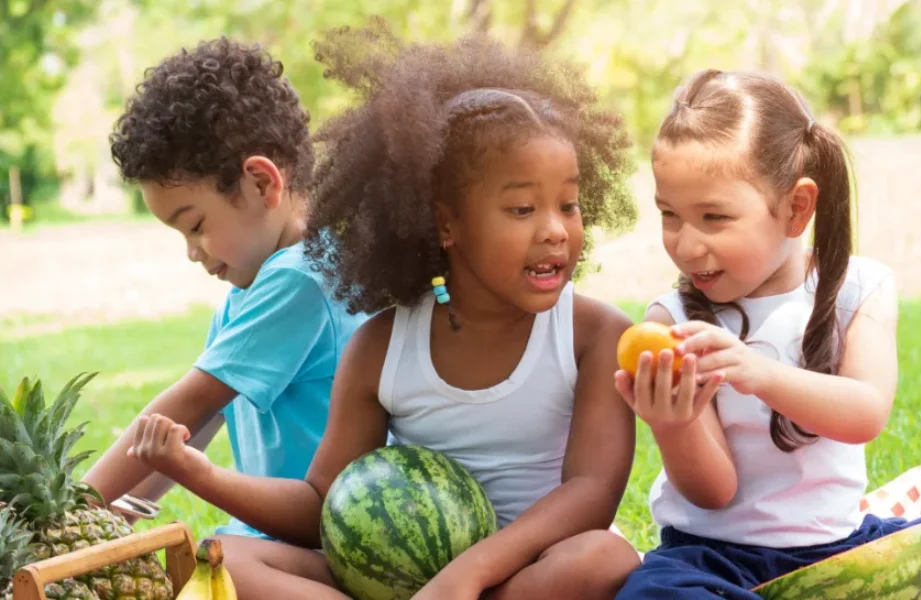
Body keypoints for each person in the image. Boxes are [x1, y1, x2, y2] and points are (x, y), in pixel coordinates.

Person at [117, 20, 643, 600]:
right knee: (222, 560)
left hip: (529, 571)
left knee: (601, 556)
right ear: (445, 223)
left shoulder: (594, 335)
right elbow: (321, 503)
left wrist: (465, 576)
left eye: (568, 204)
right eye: (522, 208)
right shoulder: (381, 346)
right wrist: (199, 473)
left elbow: (592, 494)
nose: (555, 230)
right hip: (404, 583)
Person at [613, 68, 921, 600]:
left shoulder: (857, 288)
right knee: (654, 593)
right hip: (712, 561)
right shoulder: (673, 321)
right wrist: (672, 424)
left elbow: (865, 412)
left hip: (843, 552)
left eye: (713, 217)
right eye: (669, 215)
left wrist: (759, 373)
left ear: (797, 207)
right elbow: (715, 492)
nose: (686, 245)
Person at [82, 36, 369, 543]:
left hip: (323, 538)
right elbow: (192, 429)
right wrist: (115, 513)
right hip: (276, 534)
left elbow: (190, 404)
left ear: (261, 183)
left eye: (194, 225)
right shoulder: (256, 288)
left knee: (209, 562)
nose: (192, 251)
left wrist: (72, 506)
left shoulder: (302, 278)